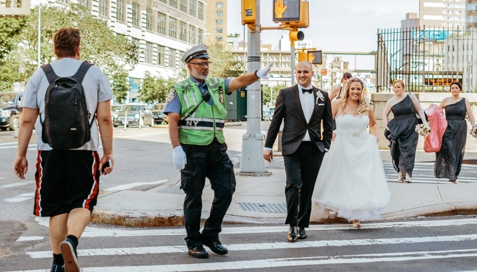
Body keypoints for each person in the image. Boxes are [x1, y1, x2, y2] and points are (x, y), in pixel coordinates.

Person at [13, 28, 115, 272]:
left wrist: (21, 154)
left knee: (57, 207)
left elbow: (27, 120)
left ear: (54, 48)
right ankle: (72, 240)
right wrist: (108, 152)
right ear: (78, 48)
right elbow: (104, 117)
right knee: (83, 203)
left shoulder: (41, 74)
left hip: (50, 151)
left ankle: (58, 263)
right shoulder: (94, 74)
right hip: (85, 151)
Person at [165, 45, 271, 259]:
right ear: (189, 65)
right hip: (193, 150)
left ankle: (211, 235)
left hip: (216, 148)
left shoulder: (215, 84)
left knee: (226, 190)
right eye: (200, 64)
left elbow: (239, 82)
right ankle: (194, 242)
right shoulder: (180, 89)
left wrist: (256, 75)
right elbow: (172, 121)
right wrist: (177, 149)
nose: (205, 68)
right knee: (194, 197)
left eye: (207, 64)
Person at [264, 61, 335, 242]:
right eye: (299, 72)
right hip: (291, 148)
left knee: (307, 189)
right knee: (293, 185)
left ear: (312, 74)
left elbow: (329, 124)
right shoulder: (285, 94)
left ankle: (303, 225)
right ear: (295, 74)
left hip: (314, 148)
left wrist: (325, 145)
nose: (302, 75)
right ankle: (292, 225)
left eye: (305, 72)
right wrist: (267, 146)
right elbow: (276, 121)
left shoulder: (322, 95)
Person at [312, 78, 390, 228]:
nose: (355, 92)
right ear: (348, 89)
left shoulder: (366, 106)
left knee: (358, 180)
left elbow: (373, 123)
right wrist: (329, 133)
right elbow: (325, 121)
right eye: (352, 89)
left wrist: (376, 136)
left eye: (358, 89)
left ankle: (356, 217)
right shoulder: (337, 104)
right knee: (339, 178)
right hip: (342, 145)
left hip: (362, 147)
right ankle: (335, 208)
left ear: (362, 91)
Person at [382, 79, 428, 183]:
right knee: (398, 151)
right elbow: (384, 114)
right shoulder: (391, 101)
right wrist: (386, 125)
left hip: (412, 126)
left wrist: (424, 122)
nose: (396, 89)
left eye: (399, 87)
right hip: (398, 127)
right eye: (395, 87)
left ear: (403, 87)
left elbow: (420, 110)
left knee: (409, 151)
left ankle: (407, 174)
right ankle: (400, 172)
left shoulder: (411, 97)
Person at [434, 81, 477, 183]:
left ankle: (453, 174)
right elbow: (437, 112)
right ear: (450, 89)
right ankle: (452, 173)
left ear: (460, 90)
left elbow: (470, 115)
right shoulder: (445, 100)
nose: (454, 89)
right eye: (453, 88)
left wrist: (474, 126)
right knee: (449, 150)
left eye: (456, 88)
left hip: (460, 128)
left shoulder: (465, 101)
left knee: (457, 151)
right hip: (447, 127)